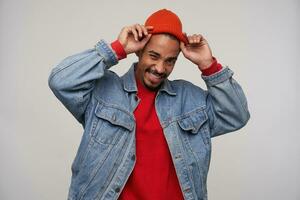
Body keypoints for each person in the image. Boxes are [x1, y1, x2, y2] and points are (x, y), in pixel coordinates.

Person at [48, 8, 250, 200]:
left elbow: (236, 116)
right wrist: (116, 49)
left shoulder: (190, 99)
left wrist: (208, 65)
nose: (160, 68)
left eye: (170, 60)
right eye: (154, 56)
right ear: (139, 50)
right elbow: (61, 81)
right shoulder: (104, 91)